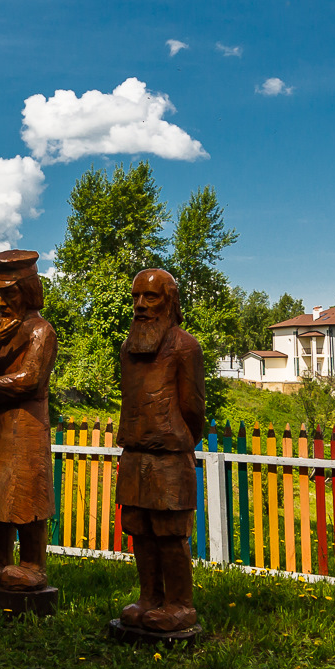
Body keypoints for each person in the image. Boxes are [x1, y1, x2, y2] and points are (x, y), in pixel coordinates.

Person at [115, 269, 205, 633]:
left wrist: (174, 438)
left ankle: (179, 604)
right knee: (139, 529)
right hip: (134, 453)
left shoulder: (186, 346)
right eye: (136, 297)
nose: (140, 306)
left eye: (150, 297)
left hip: (169, 456)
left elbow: (194, 408)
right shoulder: (127, 348)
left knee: (169, 532)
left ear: (170, 301)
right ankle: (149, 598)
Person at [0, 250, 58, 591]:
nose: (2, 302)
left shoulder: (40, 331)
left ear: (28, 291)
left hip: (28, 426)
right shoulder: (3, 331)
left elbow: (31, 378)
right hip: (0, 424)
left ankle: (34, 564)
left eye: (10, 293)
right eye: (0, 293)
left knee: (26, 493)